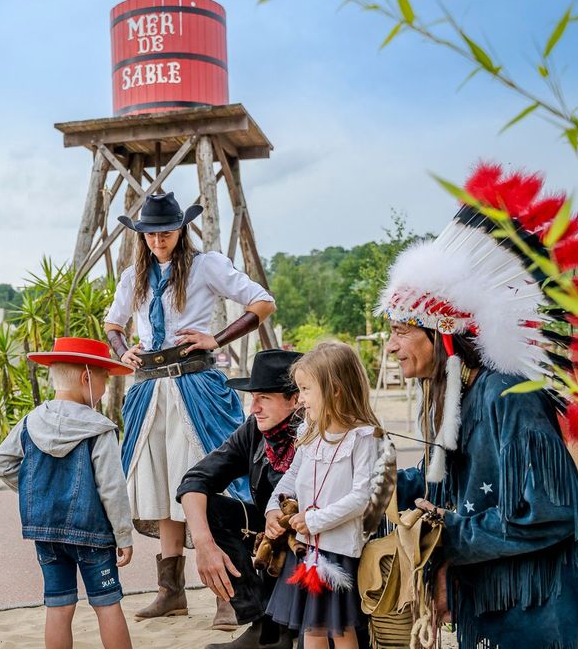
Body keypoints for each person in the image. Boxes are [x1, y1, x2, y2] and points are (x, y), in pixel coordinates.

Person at [378, 163, 578, 648]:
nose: (391, 346)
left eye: (402, 330)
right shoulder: (459, 394)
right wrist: (378, 478)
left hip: (543, 608)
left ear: (444, 337)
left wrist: (449, 532)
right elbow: (452, 480)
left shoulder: (506, 396)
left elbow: (555, 511)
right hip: (502, 600)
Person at [103, 191, 276, 622]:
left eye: (166, 231)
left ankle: (228, 595)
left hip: (196, 383)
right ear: (140, 235)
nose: (158, 240)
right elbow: (112, 324)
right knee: (163, 486)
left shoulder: (206, 265)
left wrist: (216, 338)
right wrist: (123, 348)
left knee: (206, 483)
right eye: (150, 234)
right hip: (149, 391)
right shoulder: (133, 277)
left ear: (181, 229)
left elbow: (262, 302)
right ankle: (171, 592)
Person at [0, 336, 136, 649]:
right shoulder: (100, 428)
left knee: (58, 606)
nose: (104, 387)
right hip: (92, 534)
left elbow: (1, 462)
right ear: (87, 377)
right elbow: (112, 488)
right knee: (107, 603)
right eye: (104, 380)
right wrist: (123, 536)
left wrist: (37, 490)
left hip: (46, 534)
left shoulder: (31, 421)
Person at [177, 349, 304, 649]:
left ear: (295, 399)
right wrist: (204, 545)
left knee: (289, 531)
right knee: (211, 511)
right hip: (269, 531)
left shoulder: (316, 433)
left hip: (312, 533)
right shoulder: (255, 431)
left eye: (265, 398)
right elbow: (195, 480)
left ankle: (287, 629)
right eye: (253, 396)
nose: (253, 407)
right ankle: (261, 623)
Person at [263, 342, 380, 649]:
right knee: (312, 629)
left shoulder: (363, 438)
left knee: (339, 629)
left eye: (305, 389)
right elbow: (291, 475)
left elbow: (362, 497)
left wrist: (314, 520)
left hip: (336, 551)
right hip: (305, 549)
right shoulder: (309, 431)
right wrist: (273, 507)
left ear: (335, 390)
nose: (300, 399)